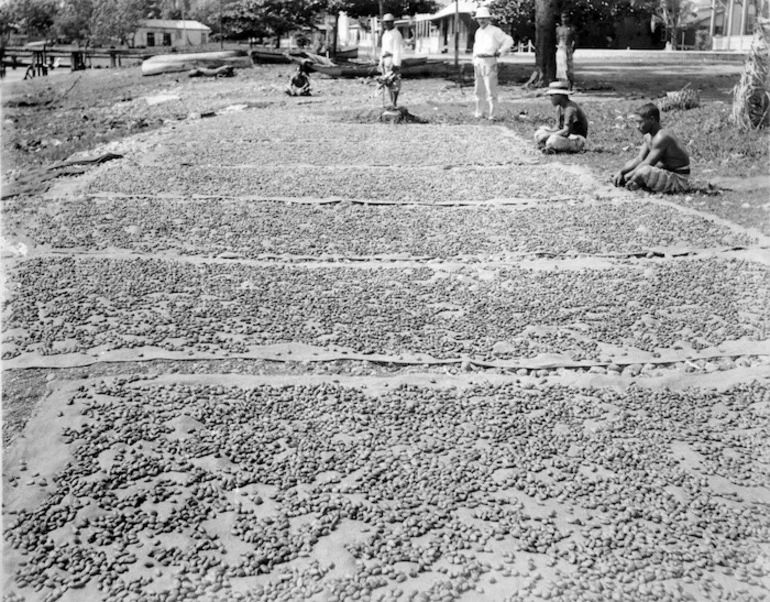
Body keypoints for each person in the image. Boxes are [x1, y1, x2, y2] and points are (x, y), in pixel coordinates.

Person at [613, 103, 691, 193]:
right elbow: (639, 159)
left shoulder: (662, 137)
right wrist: (621, 172)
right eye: (636, 122)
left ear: (652, 120)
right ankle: (636, 182)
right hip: (665, 172)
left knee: (643, 171)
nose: (637, 126)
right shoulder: (648, 136)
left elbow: (647, 163)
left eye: (640, 122)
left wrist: (628, 176)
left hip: (678, 179)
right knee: (631, 164)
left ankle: (636, 182)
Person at [471, 7, 513, 121]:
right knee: (478, 89)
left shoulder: (495, 31)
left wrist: (500, 51)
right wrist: (474, 61)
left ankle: (493, 115)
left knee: (491, 89)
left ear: (488, 18)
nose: (482, 21)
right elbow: (476, 48)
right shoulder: (478, 32)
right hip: (478, 61)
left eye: (484, 18)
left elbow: (508, 40)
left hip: (490, 61)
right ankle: (479, 112)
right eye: (479, 18)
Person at [534, 81, 588, 153]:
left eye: (552, 95)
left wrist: (549, 135)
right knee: (540, 132)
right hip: (566, 137)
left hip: (576, 139)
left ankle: (550, 147)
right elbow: (558, 127)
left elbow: (566, 131)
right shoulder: (559, 107)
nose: (550, 98)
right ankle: (549, 146)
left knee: (552, 140)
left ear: (560, 95)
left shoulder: (570, 109)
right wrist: (547, 133)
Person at [379, 13, 403, 108]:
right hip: (385, 59)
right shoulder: (385, 34)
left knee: (395, 81)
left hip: (392, 59)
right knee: (387, 82)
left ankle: (394, 102)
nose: (386, 24)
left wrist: (396, 63)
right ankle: (391, 102)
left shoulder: (396, 34)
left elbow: (397, 49)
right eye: (385, 23)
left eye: (388, 22)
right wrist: (381, 61)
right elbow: (383, 49)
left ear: (393, 23)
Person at [555, 11, 576, 89]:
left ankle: (570, 85)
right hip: (560, 49)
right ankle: (562, 84)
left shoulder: (571, 29)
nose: (564, 19)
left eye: (566, 17)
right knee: (560, 68)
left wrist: (571, 50)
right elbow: (556, 39)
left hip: (568, 49)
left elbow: (575, 41)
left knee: (568, 68)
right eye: (563, 17)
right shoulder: (558, 29)